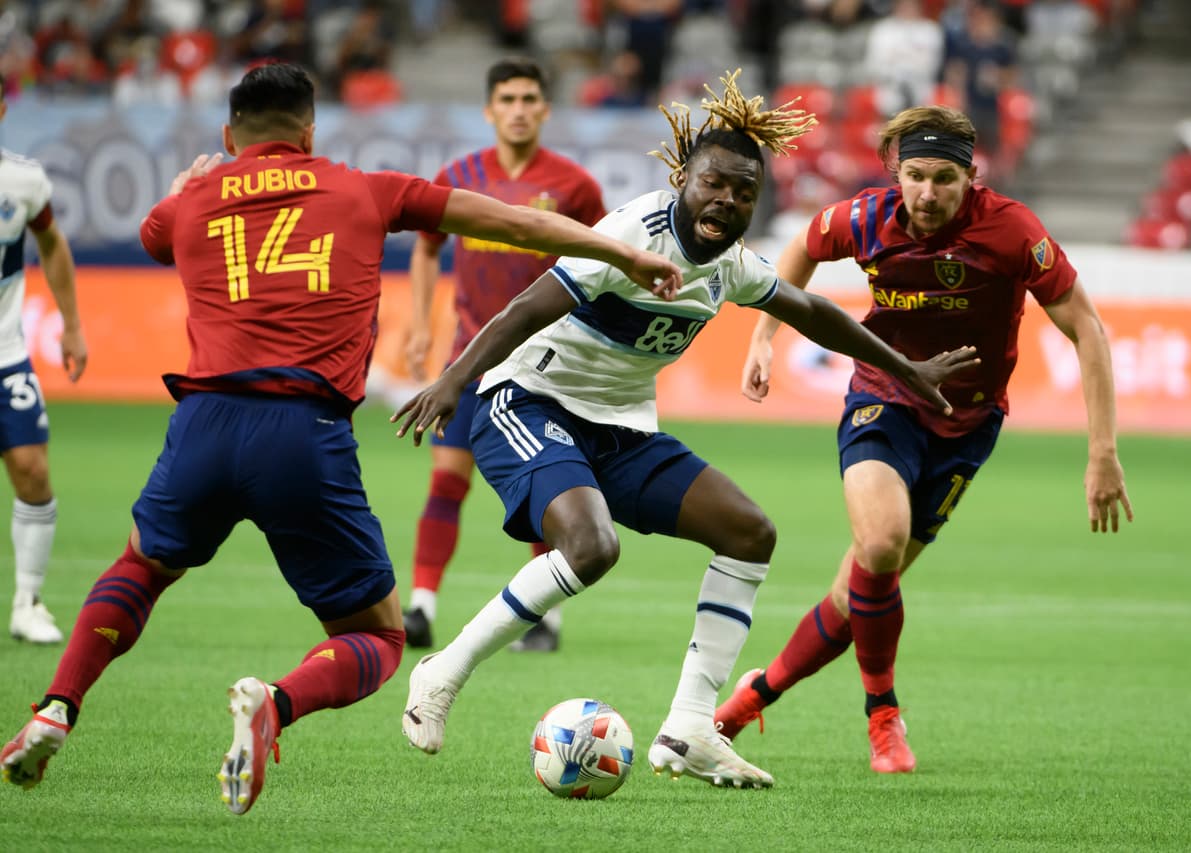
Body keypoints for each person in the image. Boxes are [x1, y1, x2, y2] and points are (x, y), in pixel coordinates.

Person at [0, 61, 682, 814]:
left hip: (201, 425)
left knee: (143, 565)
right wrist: (622, 251)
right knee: (379, 638)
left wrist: (189, 189)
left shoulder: (195, 200)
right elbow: (511, 222)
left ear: (230, 136)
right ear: (311, 130)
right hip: (303, 432)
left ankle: (55, 707)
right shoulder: (367, 188)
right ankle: (278, 704)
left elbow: (155, 234)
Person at [393, 72, 979, 789]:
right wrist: (456, 379)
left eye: (743, 193)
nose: (725, 201)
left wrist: (906, 368)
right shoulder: (628, 234)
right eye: (713, 184)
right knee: (590, 545)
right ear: (683, 178)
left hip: (620, 427)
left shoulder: (729, 265)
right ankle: (443, 670)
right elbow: (525, 309)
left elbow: (811, 310)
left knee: (748, 532)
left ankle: (691, 727)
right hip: (527, 398)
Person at [714, 104, 1135, 774]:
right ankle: (883, 715)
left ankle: (751, 698)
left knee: (855, 594)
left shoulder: (1011, 231)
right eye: (914, 175)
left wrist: (1103, 452)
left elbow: (1087, 327)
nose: (928, 193)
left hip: (967, 427)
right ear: (894, 171)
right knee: (878, 543)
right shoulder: (865, 218)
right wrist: (766, 333)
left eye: (944, 178)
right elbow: (800, 248)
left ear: (971, 177)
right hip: (884, 401)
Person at [400, 58, 607, 654]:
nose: (518, 109)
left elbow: (605, 255)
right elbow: (425, 246)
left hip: (546, 363)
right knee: (446, 481)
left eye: (528, 99)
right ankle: (420, 607)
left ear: (544, 108)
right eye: (508, 99)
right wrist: (419, 324)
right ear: (490, 110)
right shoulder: (460, 175)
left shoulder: (574, 186)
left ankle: (545, 621)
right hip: (467, 358)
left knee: (543, 486)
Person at [0, 76, 89, 645]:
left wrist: (72, 325)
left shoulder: (23, 177)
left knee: (32, 468)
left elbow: (51, 241)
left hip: (6, 353)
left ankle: (27, 601)